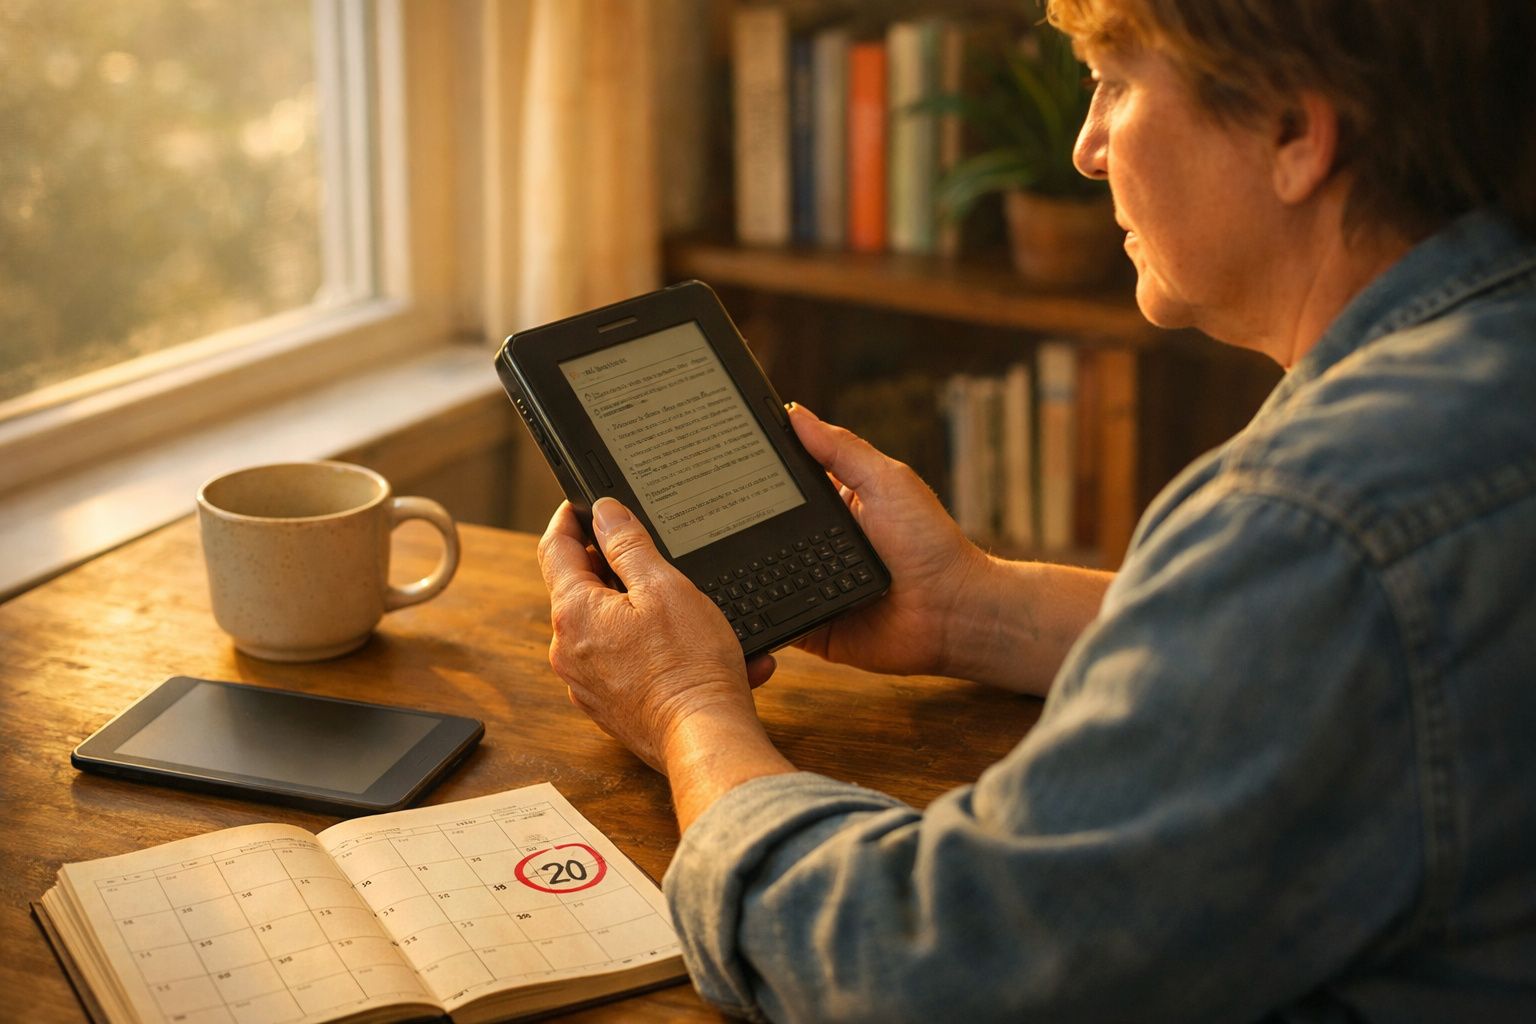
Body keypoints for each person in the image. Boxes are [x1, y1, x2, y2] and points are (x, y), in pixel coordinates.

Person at [535, 0, 1536, 1018]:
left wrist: (685, 707)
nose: (1086, 149)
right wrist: (978, 608)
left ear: (1292, 130)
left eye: (1116, 82)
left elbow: (923, 967)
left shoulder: (1322, 522)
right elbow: (1346, 664)